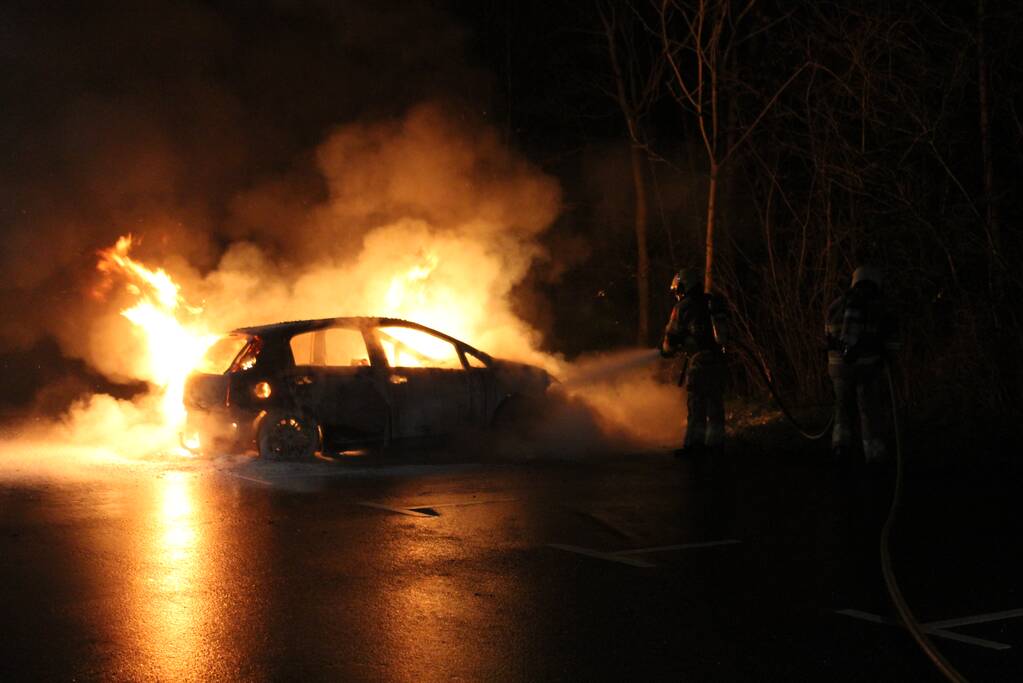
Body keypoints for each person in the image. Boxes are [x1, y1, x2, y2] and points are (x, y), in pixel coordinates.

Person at [825, 264, 900, 466]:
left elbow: (828, 338)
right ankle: (874, 456)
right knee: (869, 411)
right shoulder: (879, 306)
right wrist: (889, 360)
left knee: (841, 409)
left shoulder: (836, 305)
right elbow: (891, 341)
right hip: (867, 369)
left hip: (838, 370)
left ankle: (840, 450)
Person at [660, 267, 729, 458]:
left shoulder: (682, 307)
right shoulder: (711, 302)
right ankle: (717, 446)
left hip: (698, 364)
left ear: (684, 286)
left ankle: (695, 446)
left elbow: (671, 337)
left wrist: (666, 351)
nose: (677, 294)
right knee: (715, 406)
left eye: (678, 290)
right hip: (717, 362)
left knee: (696, 406)